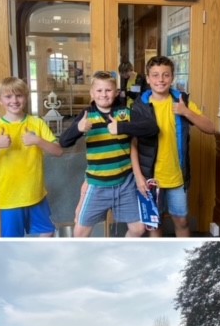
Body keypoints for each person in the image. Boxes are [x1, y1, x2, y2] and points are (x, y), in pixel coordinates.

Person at [59, 70, 158, 237]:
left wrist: (121, 127)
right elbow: (63, 142)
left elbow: (152, 128)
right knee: (80, 233)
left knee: (138, 229)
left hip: (125, 184)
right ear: (92, 93)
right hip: (97, 185)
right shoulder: (86, 115)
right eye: (99, 91)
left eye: (108, 90)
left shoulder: (125, 113)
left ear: (116, 92)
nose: (104, 95)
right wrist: (78, 129)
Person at [0, 76, 64, 237]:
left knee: (47, 234)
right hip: (10, 200)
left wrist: (37, 140)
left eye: (19, 95)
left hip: (36, 195)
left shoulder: (37, 124)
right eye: (8, 96)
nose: (14, 100)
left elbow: (58, 151)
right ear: (0, 100)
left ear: (26, 97)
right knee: (12, 242)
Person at [131, 55, 216, 237]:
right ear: (147, 78)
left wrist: (186, 112)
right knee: (154, 224)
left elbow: (210, 128)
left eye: (165, 75)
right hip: (150, 178)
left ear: (172, 77)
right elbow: (133, 144)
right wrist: (139, 177)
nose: (160, 80)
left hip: (177, 176)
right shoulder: (139, 107)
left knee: (182, 221)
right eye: (155, 75)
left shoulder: (181, 101)